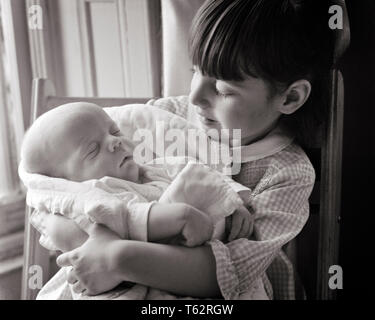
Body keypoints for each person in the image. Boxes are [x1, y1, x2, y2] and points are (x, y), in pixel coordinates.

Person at [50, 0, 331, 299]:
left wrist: (117, 257)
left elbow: (226, 276)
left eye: (224, 90)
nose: (195, 96)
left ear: (289, 98)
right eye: (195, 71)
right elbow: (51, 199)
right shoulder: (160, 118)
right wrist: (98, 237)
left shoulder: (287, 173)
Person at [20, 101, 254, 299]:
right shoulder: (93, 196)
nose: (114, 141)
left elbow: (200, 174)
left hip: (185, 271)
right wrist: (179, 217)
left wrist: (231, 201)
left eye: (114, 131)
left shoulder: (158, 168)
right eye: (92, 150)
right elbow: (123, 217)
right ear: (66, 183)